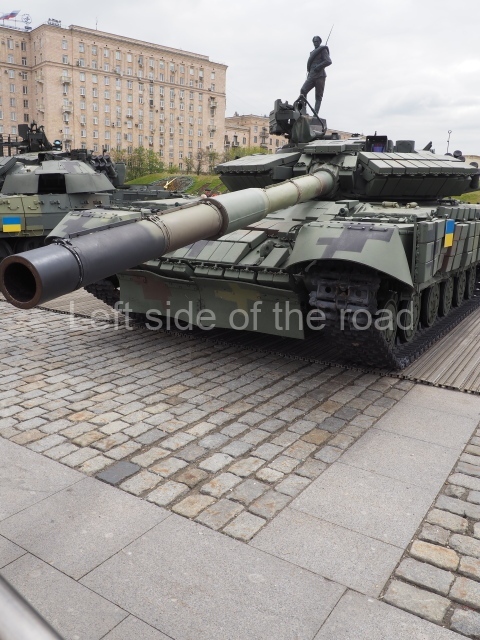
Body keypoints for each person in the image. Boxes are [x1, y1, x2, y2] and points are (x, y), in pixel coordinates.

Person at [300, 36, 332, 115]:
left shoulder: (323, 50)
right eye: (314, 41)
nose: (316, 43)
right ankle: (303, 111)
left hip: (320, 76)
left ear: (320, 42)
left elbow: (328, 61)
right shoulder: (312, 53)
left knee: (318, 96)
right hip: (312, 75)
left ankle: (315, 114)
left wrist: (319, 66)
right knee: (303, 90)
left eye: (317, 41)